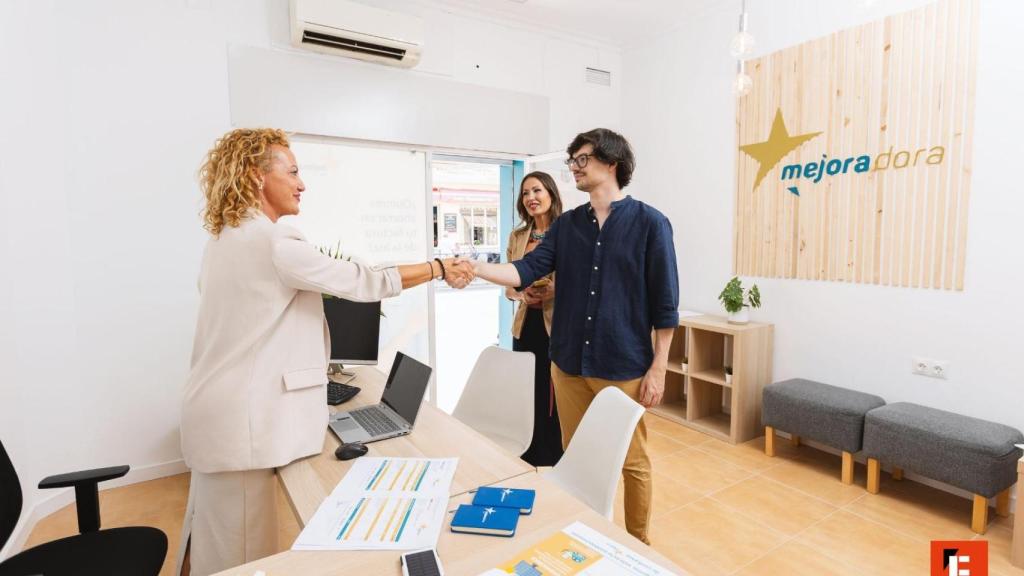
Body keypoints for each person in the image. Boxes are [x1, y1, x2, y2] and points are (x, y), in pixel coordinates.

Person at [179, 128, 473, 576]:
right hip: (242, 422)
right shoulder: (274, 242)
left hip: (219, 411)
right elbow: (362, 281)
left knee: (220, 547)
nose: (302, 184)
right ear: (258, 177)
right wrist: (437, 267)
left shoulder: (222, 240)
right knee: (242, 559)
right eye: (293, 172)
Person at [469, 128, 679, 544]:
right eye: (573, 161)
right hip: (566, 365)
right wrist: (472, 266)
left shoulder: (652, 224)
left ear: (611, 163)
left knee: (631, 461)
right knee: (575, 456)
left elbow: (665, 305)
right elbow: (523, 270)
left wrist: (658, 367)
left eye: (581, 159)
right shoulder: (566, 226)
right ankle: (586, 534)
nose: (574, 169)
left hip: (623, 365)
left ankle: (639, 547)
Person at [506, 171, 564, 467]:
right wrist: (521, 295)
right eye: (526, 193)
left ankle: (551, 454)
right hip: (525, 325)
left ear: (551, 194)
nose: (531, 198)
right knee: (526, 389)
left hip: (556, 328)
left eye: (537, 191)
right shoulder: (517, 237)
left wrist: (555, 290)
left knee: (552, 393)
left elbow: (581, 281)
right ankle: (525, 451)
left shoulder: (567, 233)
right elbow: (509, 285)